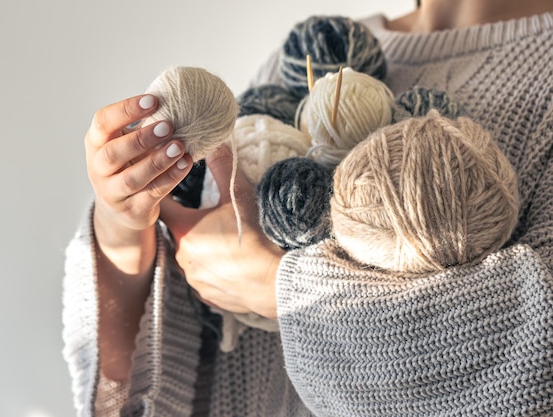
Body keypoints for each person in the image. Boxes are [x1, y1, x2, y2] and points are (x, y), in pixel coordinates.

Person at [62, 1, 553, 416]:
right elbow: (153, 361)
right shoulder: (315, 54)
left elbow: (539, 356)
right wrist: (125, 222)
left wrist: (283, 291)